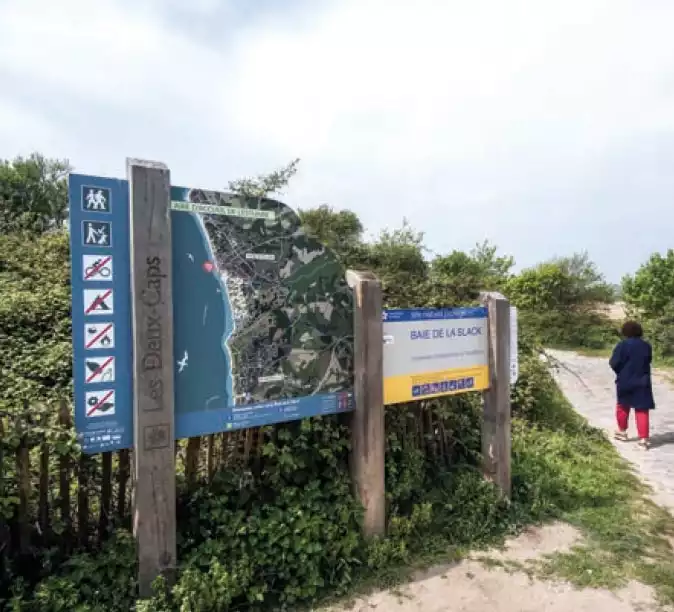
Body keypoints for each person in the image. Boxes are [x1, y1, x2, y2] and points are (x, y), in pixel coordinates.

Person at [609, 320, 654, 449]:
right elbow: (648, 360)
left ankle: (622, 432)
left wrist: (620, 372)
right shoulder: (646, 346)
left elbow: (614, 363)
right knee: (642, 409)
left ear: (625, 332)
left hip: (625, 381)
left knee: (623, 406)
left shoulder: (622, 345)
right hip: (642, 381)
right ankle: (643, 439)